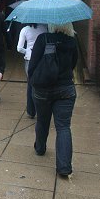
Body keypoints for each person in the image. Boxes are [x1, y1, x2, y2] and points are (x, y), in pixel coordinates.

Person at [28, 22, 78, 178]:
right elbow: (73, 64)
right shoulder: (72, 41)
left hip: (43, 90)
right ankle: (64, 167)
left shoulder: (43, 39)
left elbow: (32, 66)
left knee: (42, 121)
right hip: (66, 90)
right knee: (63, 127)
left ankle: (40, 148)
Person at [17, 23, 47, 118]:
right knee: (41, 84)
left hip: (29, 59)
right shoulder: (44, 28)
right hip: (42, 59)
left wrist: (28, 51)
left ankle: (31, 111)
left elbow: (19, 48)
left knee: (30, 84)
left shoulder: (25, 30)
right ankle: (41, 109)